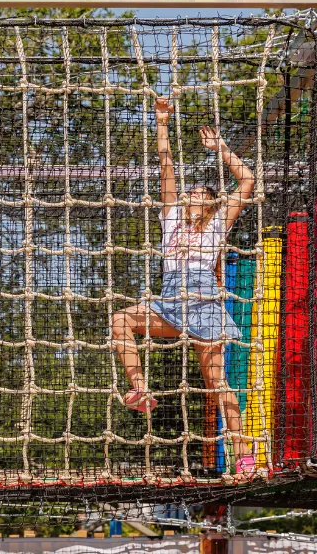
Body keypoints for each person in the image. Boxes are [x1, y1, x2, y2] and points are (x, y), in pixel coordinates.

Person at [111, 96, 255, 477]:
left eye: (201, 193)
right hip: (172, 300)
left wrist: (222, 149)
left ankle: (243, 456)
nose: (192, 194)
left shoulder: (218, 222)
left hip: (204, 302)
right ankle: (141, 389)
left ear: (210, 203)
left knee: (218, 386)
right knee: (121, 319)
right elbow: (165, 164)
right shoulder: (171, 215)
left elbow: (248, 181)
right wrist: (161, 121)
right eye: (191, 191)